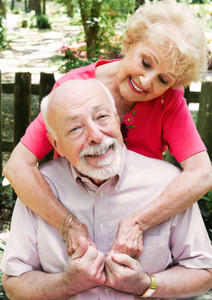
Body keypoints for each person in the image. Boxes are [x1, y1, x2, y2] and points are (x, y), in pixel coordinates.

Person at [3, 2, 212, 257]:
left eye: (163, 79)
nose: (147, 81)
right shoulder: (74, 89)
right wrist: (67, 224)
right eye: (146, 62)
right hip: (78, 218)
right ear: (129, 42)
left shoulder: (168, 100)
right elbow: (17, 165)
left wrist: (139, 222)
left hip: (138, 237)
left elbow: (202, 174)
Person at [1, 79, 212, 300]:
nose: (96, 135)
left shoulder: (168, 183)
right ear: (57, 145)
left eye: (102, 117)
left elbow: (204, 273)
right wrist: (66, 283)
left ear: (117, 119)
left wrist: (145, 284)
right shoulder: (38, 189)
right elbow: (14, 284)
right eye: (75, 128)